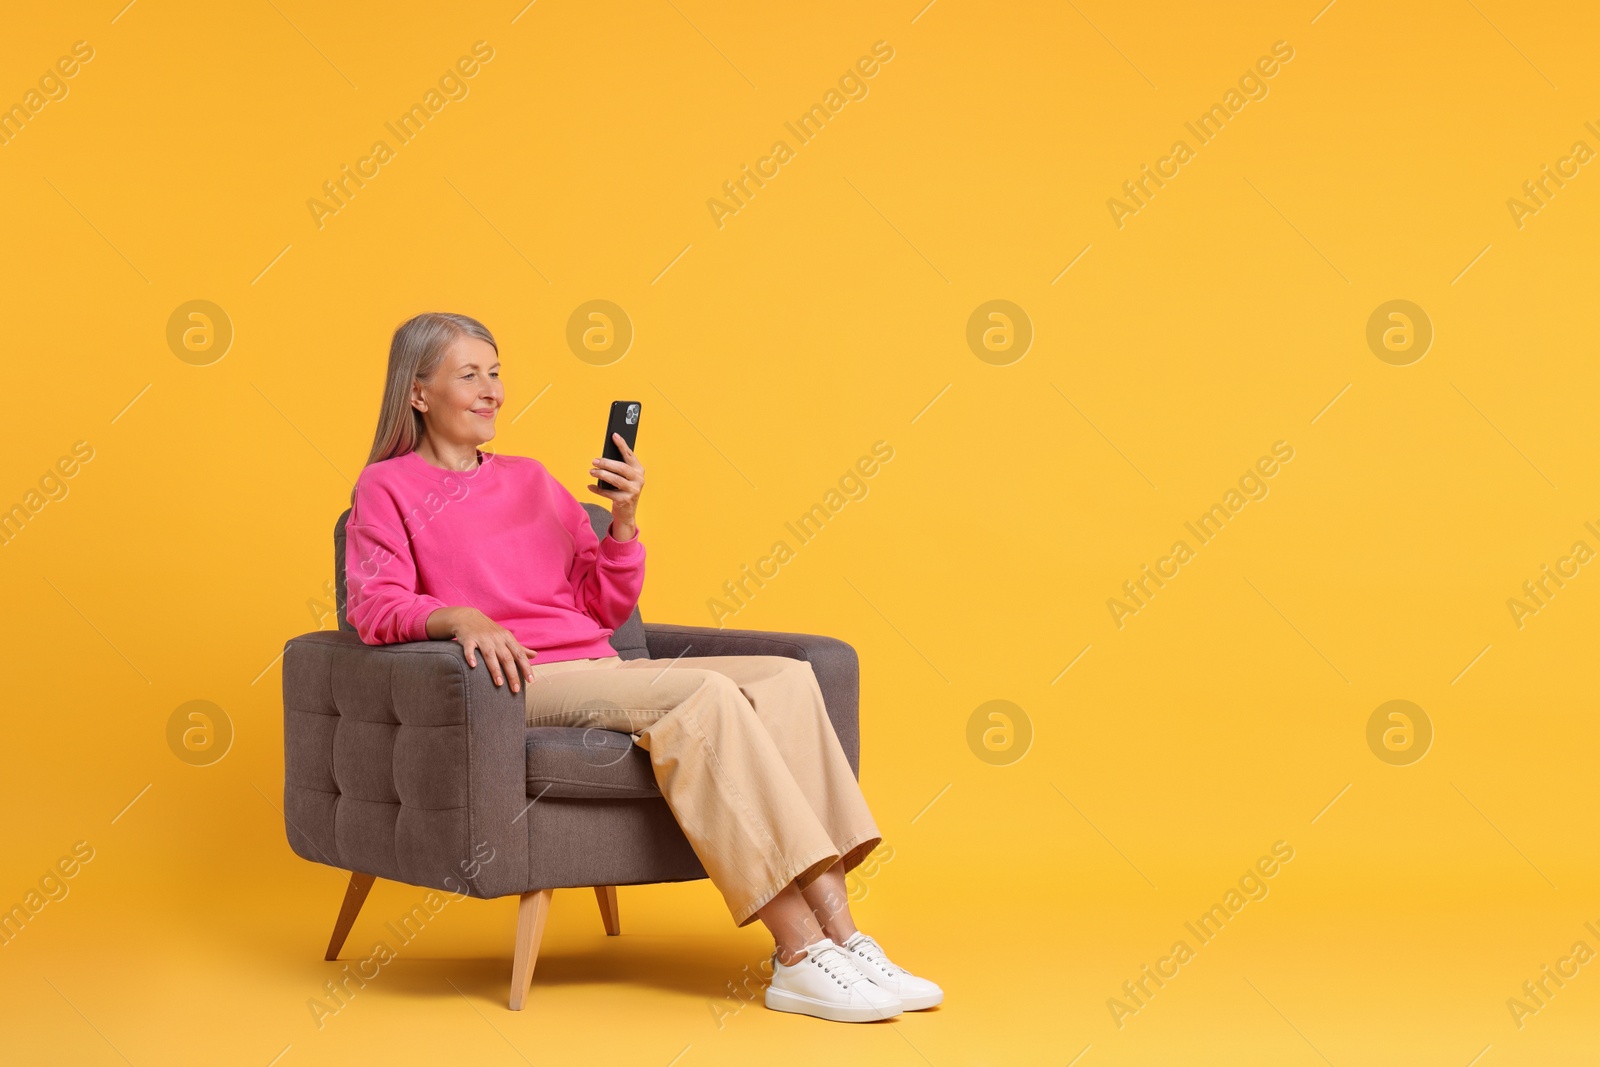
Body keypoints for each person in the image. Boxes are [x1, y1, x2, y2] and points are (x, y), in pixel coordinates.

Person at [342, 312, 942, 1023]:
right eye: (469, 374)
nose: (492, 390)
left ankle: (846, 936)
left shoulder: (533, 481)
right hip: (518, 684)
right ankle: (798, 954)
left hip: (594, 666)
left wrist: (623, 521)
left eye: (496, 371)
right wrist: (458, 616)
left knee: (788, 677)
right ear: (418, 392)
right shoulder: (388, 488)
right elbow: (373, 605)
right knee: (704, 697)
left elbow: (601, 605)